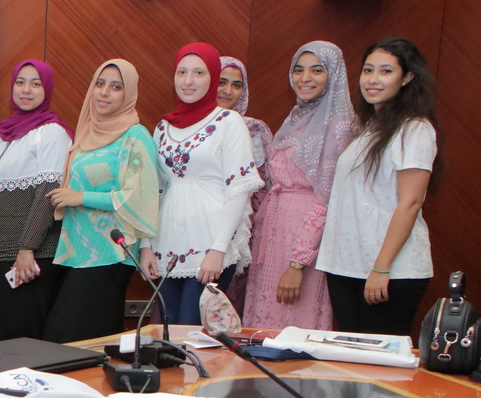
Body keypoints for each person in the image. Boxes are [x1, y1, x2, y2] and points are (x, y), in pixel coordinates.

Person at [317, 38, 440, 335]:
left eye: (386, 71)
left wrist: (381, 266)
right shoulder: (367, 127)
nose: (373, 79)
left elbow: (411, 202)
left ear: (407, 78)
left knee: (379, 358)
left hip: (389, 269)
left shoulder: (415, 129)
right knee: (349, 355)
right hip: (346, 264)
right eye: (368, 70)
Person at [42, 59, 161, 344]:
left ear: (128, 94)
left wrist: (79, 197)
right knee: (73, 337)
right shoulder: (87, 132)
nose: (105, 92)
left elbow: (137, 197)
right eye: (100, 84)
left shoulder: (135, 136)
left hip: (110, 252)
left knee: (77, 337)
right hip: (77, 251)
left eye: (116, 87)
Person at [141, 43, 260, 326]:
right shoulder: (163, 127)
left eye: (198, 73)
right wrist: (145, 245)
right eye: (182, 72)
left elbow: (239, 188)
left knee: (193, 330)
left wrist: (218, 250)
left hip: (210, 242)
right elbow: (153, 190)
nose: (188, 80)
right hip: (166, 240)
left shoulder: (229, 122)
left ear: (212, 78)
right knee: (169, 328)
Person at [246, 41, 351, 332]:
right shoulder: (295, 117)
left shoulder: (338, 125)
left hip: (304, 237)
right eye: (298, 70)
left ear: (334, 75)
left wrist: (297, 263)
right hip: (274, 229)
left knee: (295, 321)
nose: (305, 78)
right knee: (265, 321)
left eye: (317, 70)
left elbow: (326, 197)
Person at [0, 59, 71, 343]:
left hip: (31, 256)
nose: (26, 90)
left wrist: (27, 248)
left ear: (47, 89)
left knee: (23, 337)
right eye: (20, 82)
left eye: (35, 84)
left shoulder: (52, 133)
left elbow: (48, 195)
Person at [218, 55, 274, 166]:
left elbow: (265, 174)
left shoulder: (254, 129)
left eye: (236, 85)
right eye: (221, 83)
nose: (228, 91)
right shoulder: (192, 124)